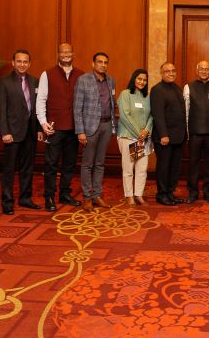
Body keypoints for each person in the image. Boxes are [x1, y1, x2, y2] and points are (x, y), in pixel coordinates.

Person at [37, 43, 84, 212]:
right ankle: (49, 196)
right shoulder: (47, 74)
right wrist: (43, 123)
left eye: (68, 52)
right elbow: (41, 100)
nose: (66, 54)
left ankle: (65, 193)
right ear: (58, 54)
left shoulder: (81, 75)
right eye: (63, 52)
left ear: (73, 53)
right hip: (53, 128)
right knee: (51, 164)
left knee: (70, 163)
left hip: (74, 127)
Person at [0, 49, 44, 215]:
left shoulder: (35, 81)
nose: (22, 64)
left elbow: (39, 108)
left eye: (25, 62)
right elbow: (1, 109)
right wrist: (4, 132)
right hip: (12, 133)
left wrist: (39, 129)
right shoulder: (4, 82)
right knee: (9, 170)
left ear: (29, 64)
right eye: (19, 61)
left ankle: (25, 199)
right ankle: (7, 202)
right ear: (13, 62)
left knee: (27, 168)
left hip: (31, 132)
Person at [74, 52, 116, 211]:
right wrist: (80, 131)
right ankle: (86, 198)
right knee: (87, 164)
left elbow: (112, 103)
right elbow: (77, 108)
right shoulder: (83, 80)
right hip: (90, 127)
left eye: (106, 62)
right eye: (100, 62)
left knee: (100, 163)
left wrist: (113, 126)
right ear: (93, 64)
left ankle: (97, 195)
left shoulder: (111, 81)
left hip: (106, 126)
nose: (103, 65)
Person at [150, 62, 186, 205]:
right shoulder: (157, 90)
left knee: (175, 168)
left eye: (173, 71)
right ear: (161, 73)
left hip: (178, 137)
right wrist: (164, 134)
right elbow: (158, 115)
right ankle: (162, 194)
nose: (171, 73)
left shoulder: (178, 89)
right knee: (164, 167)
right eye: (167, 71)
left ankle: (170, 193)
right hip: (164, 138)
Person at [183, 60, 209, 204]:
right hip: (195, 133)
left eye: (206, 69)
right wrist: (186, 132)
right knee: (193, 164)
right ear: (197, 70)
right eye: (201, 69)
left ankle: (208, 193)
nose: (204, 71)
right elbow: (185, 111)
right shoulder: (188, 87)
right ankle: (193, 193)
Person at [117, 69, 153, 206]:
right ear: (134, 79)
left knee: (142, 168)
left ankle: (138, 194)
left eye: (144, 80)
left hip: (142, 139)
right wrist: (139, 133)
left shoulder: (147, 97)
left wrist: (146, 130)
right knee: (128, 168)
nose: (142, 82)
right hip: (129, 137)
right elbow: (125, 116)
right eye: (139, 79)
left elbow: (152, 116)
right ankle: (129, 196)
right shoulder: (126, 94)